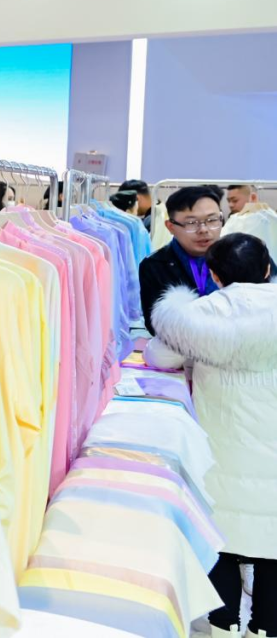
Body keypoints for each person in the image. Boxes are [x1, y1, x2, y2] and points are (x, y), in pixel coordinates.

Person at [143, 233, 277, 638]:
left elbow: (158, 355)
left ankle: (224, 625)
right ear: (268, 269)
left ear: (214, 276)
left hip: (220, 450)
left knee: (220, 537)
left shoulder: (201, 316)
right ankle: (266, 627)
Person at [138, 185, 225, 335]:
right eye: (191, 223)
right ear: (170, 227)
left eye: (212, 220)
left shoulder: (242, 257)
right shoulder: (154, 265)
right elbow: (154, 325)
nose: (204, 230)